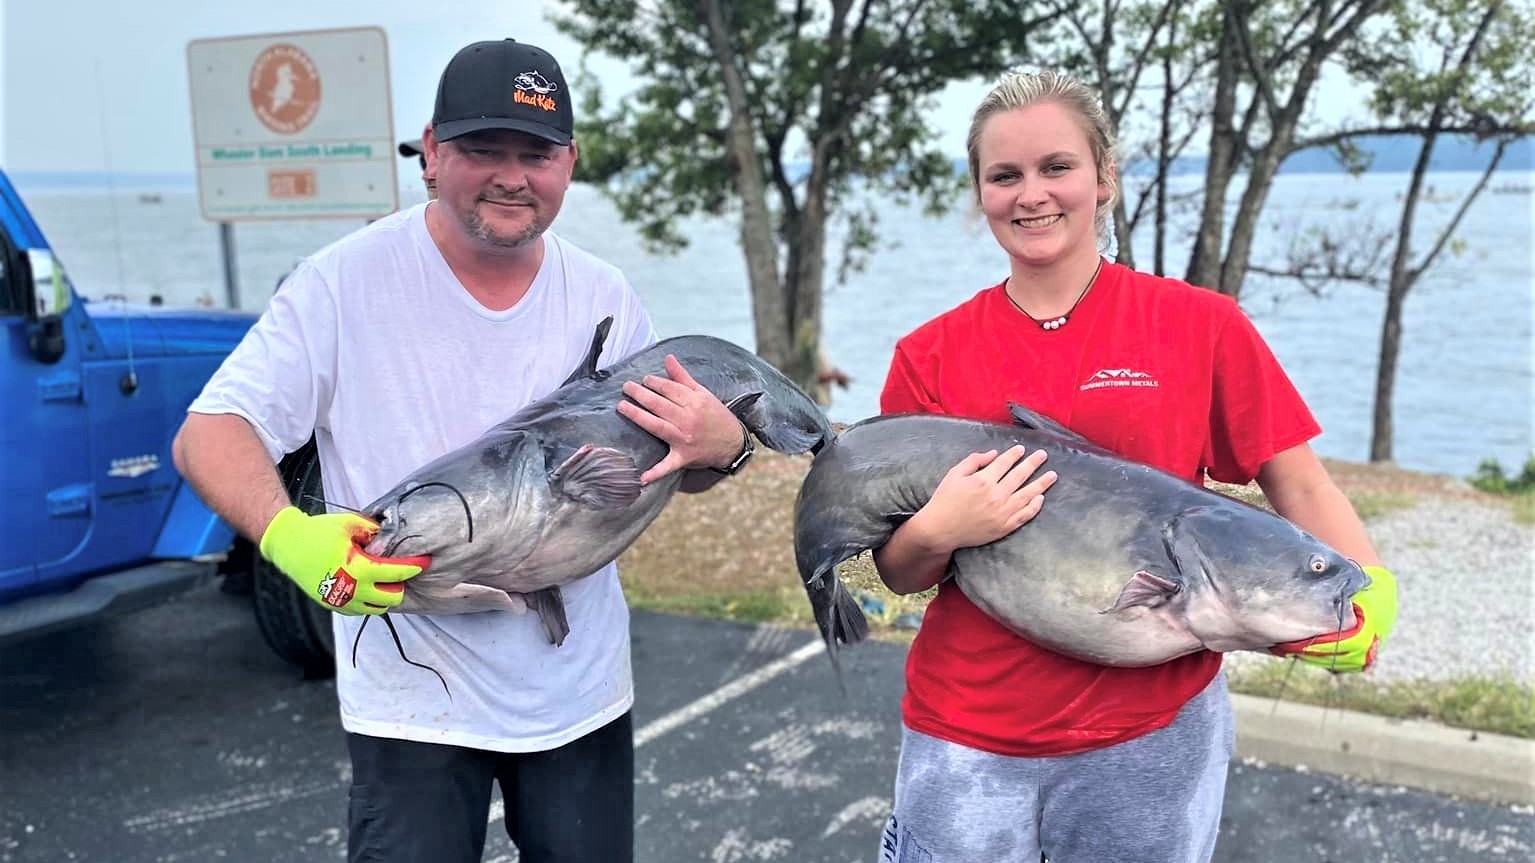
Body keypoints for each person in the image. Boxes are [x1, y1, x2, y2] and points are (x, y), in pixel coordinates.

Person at [172, 38, 754, 863]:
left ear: (569, 163)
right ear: (432, 153)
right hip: (409, 700)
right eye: (483, 149)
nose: (512, 175)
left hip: (576, 692)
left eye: (537, 154)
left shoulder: (603, 295)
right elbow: (210, 433)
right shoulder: (343, 282)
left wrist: (722, 450)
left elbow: (656, 470)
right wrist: (287, 535)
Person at [870, 71, 1399, 863]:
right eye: (1003, 175)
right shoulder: (929, 355)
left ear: (1104, 178)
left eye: (1057, 167)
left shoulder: (1199, 324)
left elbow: (1297, 479)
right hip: (967, 735)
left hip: (1151, 739)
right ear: (979, 191)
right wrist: (941, 528)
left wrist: (1365, 585)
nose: (1032, 194)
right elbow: (899, 572)